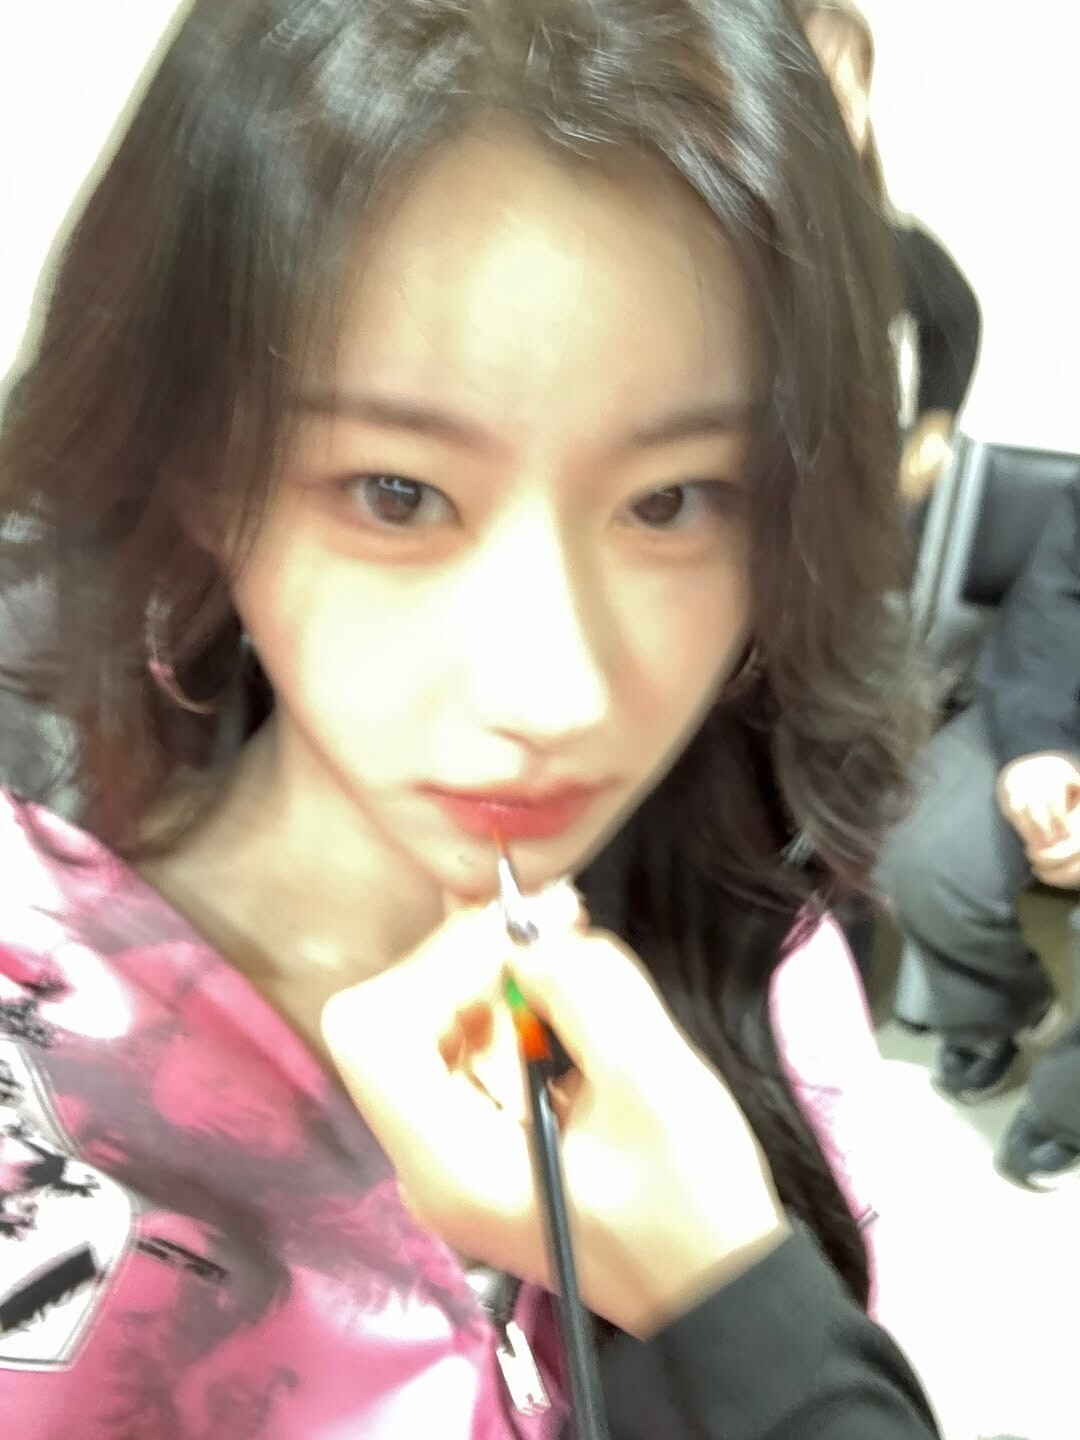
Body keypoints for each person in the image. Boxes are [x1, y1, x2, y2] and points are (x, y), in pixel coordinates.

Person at [0, 1, 938, 1434]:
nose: (555, 696)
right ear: (200, 468)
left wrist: (727, 1302)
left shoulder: (762, 948)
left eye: (675, 501)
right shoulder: (40, 1028)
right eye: (397, 495)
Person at [878, 475, 1080, 1189]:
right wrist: (1039, 748)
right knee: (922, 851)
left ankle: (1064, 1113)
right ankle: (994, 1013)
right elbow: (1055, 601)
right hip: (1060, 712)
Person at [797, 0, 982, 507]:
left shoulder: (879, 240)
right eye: (822, 82)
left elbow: (958, 317)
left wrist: (933, 431)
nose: (847, 102)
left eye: (856, 83)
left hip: (844, 518)